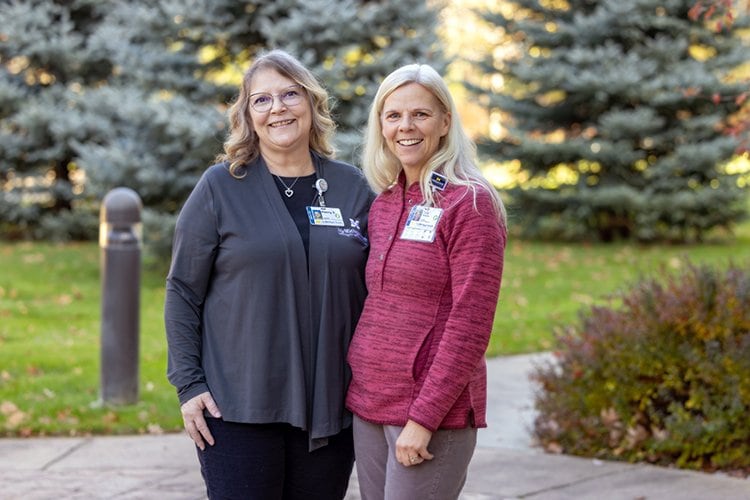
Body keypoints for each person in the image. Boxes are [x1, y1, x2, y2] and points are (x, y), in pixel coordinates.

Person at [164, 49, 373, 499]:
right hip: (238, 405)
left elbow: (381, 288)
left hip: (331, 407)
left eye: (290, 94)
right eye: (262, 100)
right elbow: (182, 290)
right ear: (248, 115)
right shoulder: (220, 187)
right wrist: (188, 384)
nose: (277, 108)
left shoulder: (352, 187)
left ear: (312, 104)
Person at [346, 63, 507, 500]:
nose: (405, 127)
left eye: (420, 114)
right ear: (380, 125)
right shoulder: (385, 201)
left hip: (430, 415)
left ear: (444, 122)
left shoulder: (469, 203)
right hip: (370, 404)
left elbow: (470, 324)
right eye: (393, 115)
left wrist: (424, 420)